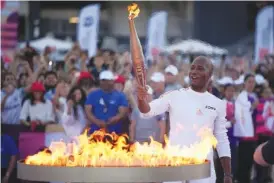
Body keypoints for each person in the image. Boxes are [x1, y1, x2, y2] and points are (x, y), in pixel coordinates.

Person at [136, 56, 232, 183]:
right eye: (192, 68)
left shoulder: (217, 104)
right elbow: (147, 112)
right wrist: (141, 99)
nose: (194, 72)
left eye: (200, 69)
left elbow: (221, 139)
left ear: (209, 75)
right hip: (174, 164)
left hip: (202, 167)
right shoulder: (174, 96)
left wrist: (228, 174)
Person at [85, 70, 128, 135]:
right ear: (100, 81)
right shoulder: (92, 94)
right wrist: (97, 122)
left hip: (114, 133)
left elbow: (123, 112)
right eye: (103, 80)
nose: (105, 83)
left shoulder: (120, 96)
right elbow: (88, 111)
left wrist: (116, 118)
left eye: (108, 80)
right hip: (95, 132)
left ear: (113, 81)